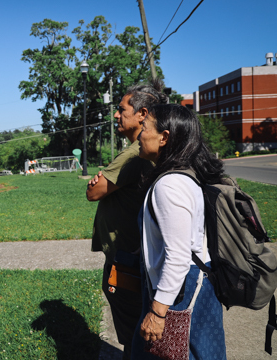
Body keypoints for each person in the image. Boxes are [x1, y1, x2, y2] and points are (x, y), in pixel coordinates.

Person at [132, 104, 226, 359]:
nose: (139, 136)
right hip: (185, 286)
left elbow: (178, 256)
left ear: (164, 137)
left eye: (144, 128)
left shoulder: (170, 185)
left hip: (181, 291)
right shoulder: (180, 177)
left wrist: (158, 311)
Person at [86, 79, 167, 359]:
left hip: (126, 259)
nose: (116, 115)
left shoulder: (133, 155)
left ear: (143, 113)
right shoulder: (144, 151)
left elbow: (94, 192)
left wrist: (97, 179)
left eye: (121, 110)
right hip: (135, 256)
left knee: (135, 335)